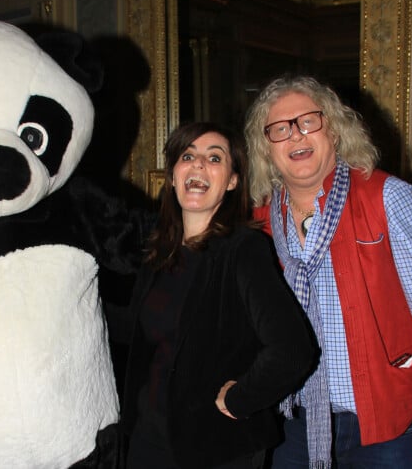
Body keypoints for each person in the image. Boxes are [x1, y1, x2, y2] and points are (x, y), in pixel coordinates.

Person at [244, 74, 412, 469]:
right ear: (265, 149)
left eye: (309, 121)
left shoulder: (388, 198)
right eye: (279, 129)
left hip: (385, 426)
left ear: (336, 131)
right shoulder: (261, 221)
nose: (295, 136)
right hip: (292, 422)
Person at [120, 121, 319, 469]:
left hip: (217, 448)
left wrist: (241, 399)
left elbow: (293, 351)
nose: (198, 164)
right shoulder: (157, 251)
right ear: (172, 175)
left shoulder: (244, 249)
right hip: (148, 440)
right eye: (188, 155)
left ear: (232, 181)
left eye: (214, 158)